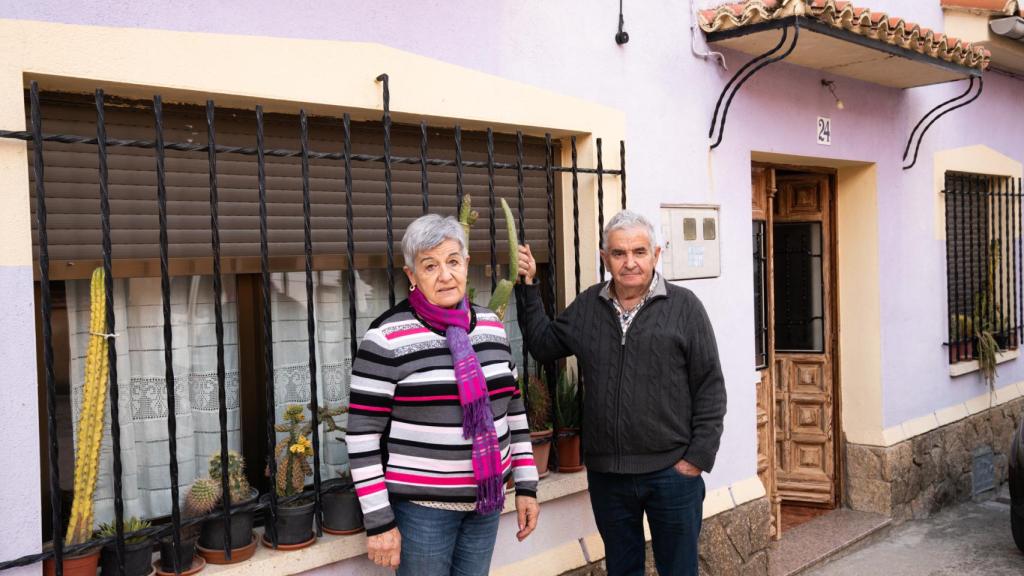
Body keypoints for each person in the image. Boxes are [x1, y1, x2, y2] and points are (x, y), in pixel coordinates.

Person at [514, 209, 726, 576]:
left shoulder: (685, 307)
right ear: (604, 258)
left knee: (679, 570)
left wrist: (697, 457)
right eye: (619, 253)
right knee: (622, 570)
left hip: (672, 473)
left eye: (639, 252)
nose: (630, 262)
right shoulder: (588, 306)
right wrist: (529, 288)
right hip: (608, 475)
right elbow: (543, 345)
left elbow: (710, 386)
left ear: (656, 255)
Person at [347, 213, 540, 575]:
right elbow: (362, 435)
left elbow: (513, 409)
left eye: (452, 261)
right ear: (412, 276)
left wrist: (527, 485)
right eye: (430, 265)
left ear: (466, 265)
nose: (445, 275)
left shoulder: (492, 327)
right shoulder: (386, 338)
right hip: (422, 514)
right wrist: (379, 521)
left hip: (486, 505)